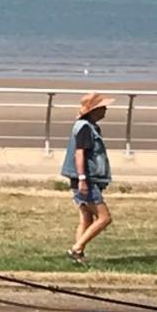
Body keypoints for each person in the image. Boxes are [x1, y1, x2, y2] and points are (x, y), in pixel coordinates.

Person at [61, 92, 115, 264]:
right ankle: (76, 248)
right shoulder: (85, 127)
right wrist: (83, 178)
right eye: (102, 107)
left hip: (84, 179)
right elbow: (79, 154)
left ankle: (78, 255)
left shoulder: (88, 126)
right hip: (85, 180)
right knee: (104, 218)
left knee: (86, 218)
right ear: (94, 110)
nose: (105, 110)